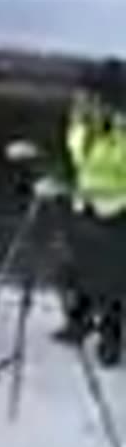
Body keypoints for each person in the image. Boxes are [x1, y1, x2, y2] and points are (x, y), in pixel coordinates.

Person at [60, 59, 126, 366]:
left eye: (87, 96)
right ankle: (79, 320)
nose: (80, 101)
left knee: (113, 279)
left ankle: (111, 338)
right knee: (75, 268)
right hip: (84, 205)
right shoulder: (81, 123)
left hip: (117, 211)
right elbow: (77, 162)